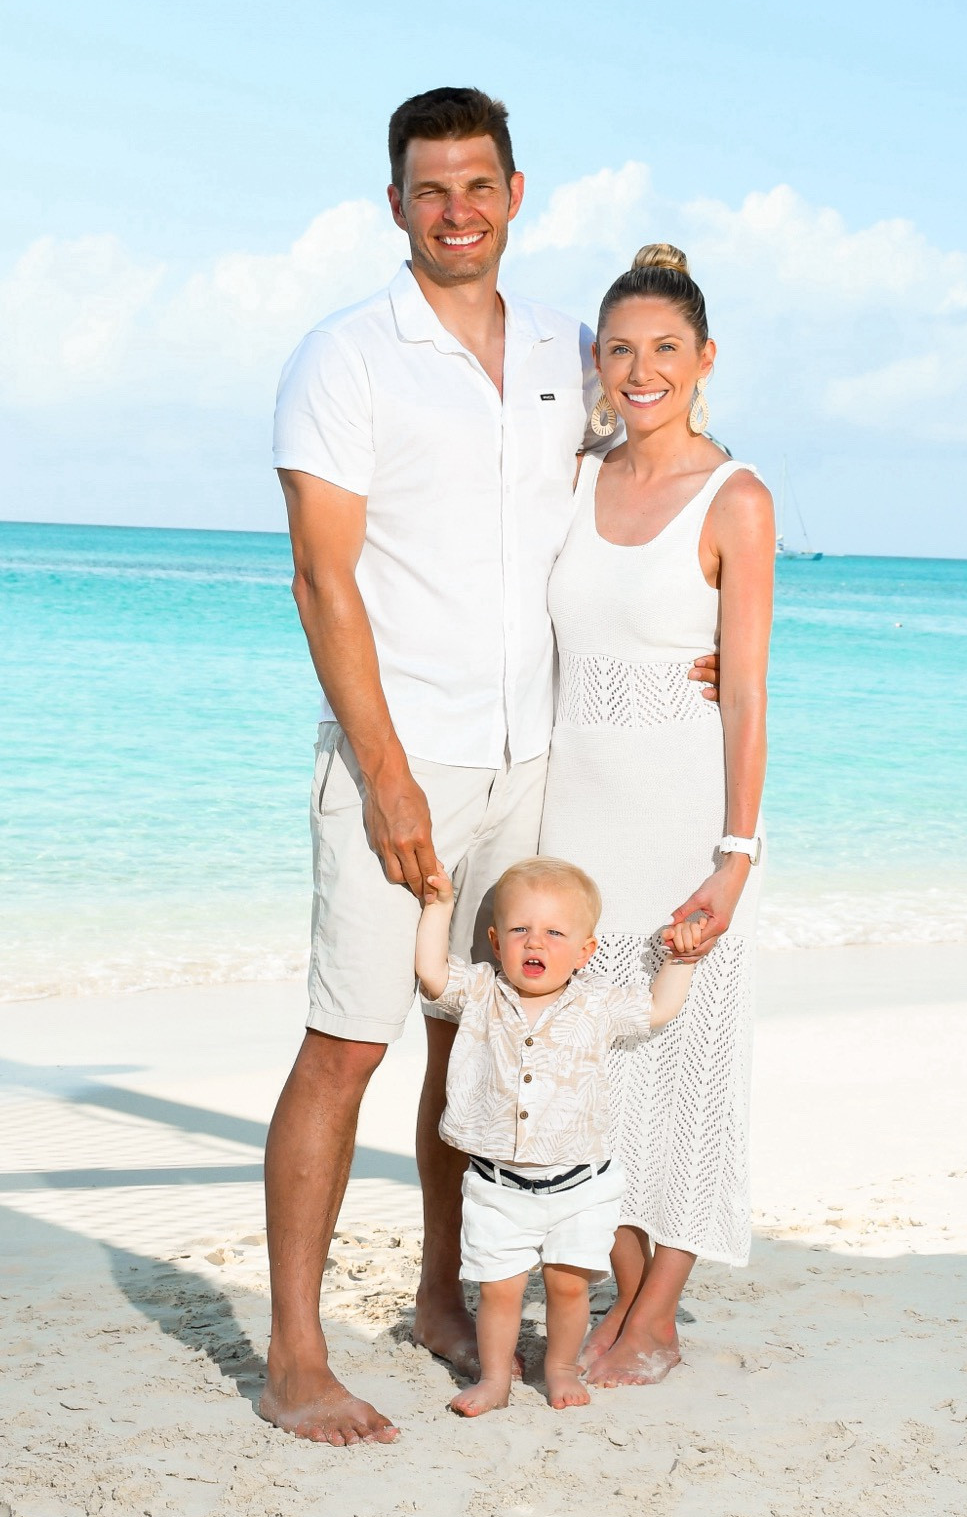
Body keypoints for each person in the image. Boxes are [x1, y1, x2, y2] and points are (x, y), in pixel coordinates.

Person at [266, 88, 720, 1444]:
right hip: (400, 762)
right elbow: (321, 579)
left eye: (478, 185)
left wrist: (697, 629)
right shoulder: (345, 357)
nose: (455, 210)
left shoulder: (563, 350)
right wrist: (385, 774)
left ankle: (438, 1298)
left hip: (535, 763)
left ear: (514, 195)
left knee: (472, 1043)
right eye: (429, 188)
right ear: (394, 204)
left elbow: (654, 466)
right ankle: (294, 1356)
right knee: (347, 1043)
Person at [539, 243, 776, 1387]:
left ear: (704, 358)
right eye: (621, 350)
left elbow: (745, 691)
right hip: (572, 821)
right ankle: (635, 1305)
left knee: (685, 1066)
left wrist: (734, 854)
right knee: (592, 1070)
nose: (641, 371)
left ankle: (654, 1312)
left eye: (665, 349)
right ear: (597, 360)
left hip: (684, 816)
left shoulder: (738, 499)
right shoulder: (572, 477)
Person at [414, 857, 702, 1417]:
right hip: (497, 1187)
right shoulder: (480, 991)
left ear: (584, 951)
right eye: (520, 929)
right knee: (499, 1290)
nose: (534, 942)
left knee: (569, 1286)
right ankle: (495, 1378)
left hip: (581, 1187)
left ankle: (561, 1367)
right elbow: (430, 972)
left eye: (554, 933)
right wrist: (439, 907)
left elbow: (660, 1008)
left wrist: (680, 959)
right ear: (496, 942)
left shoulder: (596, 1003)